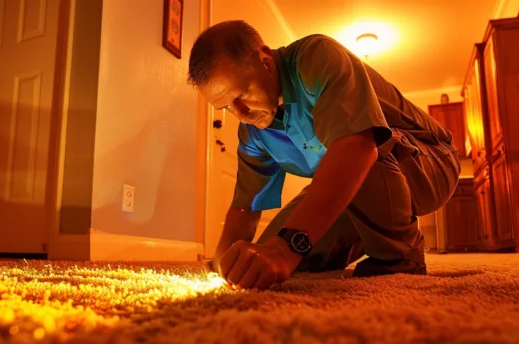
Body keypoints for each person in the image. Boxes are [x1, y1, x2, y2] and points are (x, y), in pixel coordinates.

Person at [188, 20, 461, 290]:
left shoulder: (316, 57)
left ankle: (400, 257)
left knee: (360, 141)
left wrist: (286, 249)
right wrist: (226, 263)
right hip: (360, 183)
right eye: (226, 107)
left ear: (265, 59)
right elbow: (246, 208)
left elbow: (358, 147)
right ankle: (373, 230)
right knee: (269, 252)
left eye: (243, 93)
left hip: (431, 162)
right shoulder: (254, 132)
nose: (242, 115)